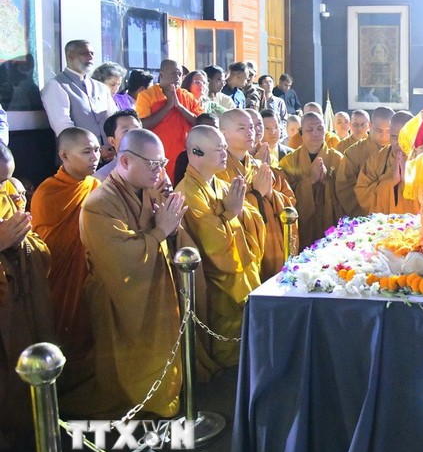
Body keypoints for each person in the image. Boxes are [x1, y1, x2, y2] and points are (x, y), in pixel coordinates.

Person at [74, 129, 186, 418]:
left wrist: (171, 227)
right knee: (126, 369)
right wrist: (161, 230)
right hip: (120, 298)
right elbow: (122, 260)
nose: (160, 171)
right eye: (153, 164)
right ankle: (137, 403)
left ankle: (162, 395)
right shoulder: (98, 205)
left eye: (163, 163)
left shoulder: (149, 190)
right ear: (124, 161)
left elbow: (165, 230)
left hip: (155, 289)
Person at [176, 125, 264, 368]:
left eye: (225, 148)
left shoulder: (223, 185)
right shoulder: (188, 193)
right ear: (196, 152)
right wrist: (231, 213)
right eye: (218, 150)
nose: (225, 154)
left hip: (242, 269)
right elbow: (212, 244)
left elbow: (252, 218)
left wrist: (240, 212)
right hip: (217, 278)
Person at [30, 128, 100, 388]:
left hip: (90, 274)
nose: (95, 156)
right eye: (87, 151)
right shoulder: (48, 193)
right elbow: (49, 247)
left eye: (96, 149)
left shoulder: (95, 186)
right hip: (60, 279)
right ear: (64, 156)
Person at [0, 142, 55, 450]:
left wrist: (22, 240)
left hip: (14, 306)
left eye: (5, 180)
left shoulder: (7, 194)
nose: (4, 189)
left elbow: (33, 244)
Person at [218, 108, 296, 280]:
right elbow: (222, 214)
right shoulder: (219, 170)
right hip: (244, 248)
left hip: (270, 241)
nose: (250, 133)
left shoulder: (259, 166)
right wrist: (257, 195)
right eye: (241, 128)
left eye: (251, 127)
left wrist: (270, 194)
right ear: (223, 134)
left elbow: (289, 201)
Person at [279, 112, 343, 248]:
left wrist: (327, 181)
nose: (315, 133)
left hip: (330, 224)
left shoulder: (338, 159)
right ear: (301, 132)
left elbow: (346, 194)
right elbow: (284, 198)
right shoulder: (289, 161)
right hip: (302, 227)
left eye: (320, 129)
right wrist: (309, 181)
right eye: (309, 129)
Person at [41, 40, 118, 148]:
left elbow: (114, 119)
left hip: (110, 153)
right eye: (84, 53)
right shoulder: (56, 85)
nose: (90, 57)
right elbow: (63, 127)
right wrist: (95, 150)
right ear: (70, 56)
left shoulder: (101, 88)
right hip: (78, 155)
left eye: (92, 53)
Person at [135, 60, 202, 181]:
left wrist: (180, 107)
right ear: (161, 75)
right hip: (158, 157)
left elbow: (201, 123)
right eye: (173, 73)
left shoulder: (188, 96)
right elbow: (142, 125)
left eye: (179, 74)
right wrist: (168, 106)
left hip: (185, 158)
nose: (177, 77)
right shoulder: (147, 96)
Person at [356, 111, 418, 216]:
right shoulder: (376, 160)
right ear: (389, 133)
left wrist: (410, 181)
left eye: (405, 138)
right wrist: (391, 182)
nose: (400, 143)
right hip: (384, 224)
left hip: (417, 224)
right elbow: (362, 194)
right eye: (395, 137)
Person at [335, 107, 393, 218]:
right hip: (363, 216)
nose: (384, 136)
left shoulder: (399, 152)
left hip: (395, 216)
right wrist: (364, 213)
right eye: (379, 130)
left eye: (388, 131)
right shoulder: (353, 153)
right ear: (370, 126)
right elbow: (345, 189)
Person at [94, 109, 143, 180]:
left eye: (137, 129)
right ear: (112, 141)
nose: (134, 134)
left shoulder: (155, 165)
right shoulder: (102, 177)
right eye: (126, 131)